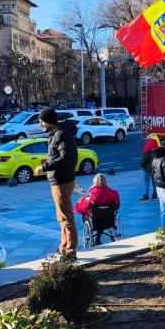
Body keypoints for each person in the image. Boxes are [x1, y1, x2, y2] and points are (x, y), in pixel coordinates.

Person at [38, 107, 79, 262]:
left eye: (41, 121)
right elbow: (60, 156)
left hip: (62, 181)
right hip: (59, 180)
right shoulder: (57, 133)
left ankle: (70, 252)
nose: (40, 124)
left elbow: (68, 158)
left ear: (48, 121)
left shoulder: (61, 134)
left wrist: (45, 167)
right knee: (62, 217)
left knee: (66, 217)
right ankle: (64, 247)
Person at [74, 173, 120, 246]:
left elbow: (85, 207)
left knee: (86, 214)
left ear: (95, 182)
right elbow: (117, 206)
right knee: (102, 214)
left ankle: (90, 236)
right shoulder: (114, 193)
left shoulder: (92, 193)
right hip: (109, 219)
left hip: (96, 219)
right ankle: (98, 238)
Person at [139, 133, 160, 202]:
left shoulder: (148, 145)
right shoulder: (157, 143)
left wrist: (142, 165)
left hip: (148, 167)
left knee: (146, 181)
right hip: (156, 166)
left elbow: (145, 157)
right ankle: (155, 195)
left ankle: (146, 196)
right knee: (154, 181)